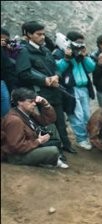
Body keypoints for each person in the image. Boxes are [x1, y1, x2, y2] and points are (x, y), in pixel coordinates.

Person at [16, 21, 76, 154]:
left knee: (60, 121)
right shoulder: (23, 51)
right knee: (45, 123)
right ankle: (55, 150)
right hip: (38, 93)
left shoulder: (46, 50)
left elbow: (56, 68)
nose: (42, 37)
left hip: (54, 91)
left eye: (43, 34)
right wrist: (44, 80)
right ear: (28, 35)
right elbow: (23, 73)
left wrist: (56, 76)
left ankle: (66, 144)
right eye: (39, 34)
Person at [1, 88, 68, 168]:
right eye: (30, 101)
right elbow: (15, 147)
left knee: (51, 127)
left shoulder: (26, 113)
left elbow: (49, 120)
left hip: (28, 145)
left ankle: (49, 157)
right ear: (20, 102)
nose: (34, 104)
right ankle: (51, 159)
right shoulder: (15, 120)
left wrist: (45, 104)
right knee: (53, 151)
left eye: (34, 101)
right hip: (17, 156)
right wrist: (38, 141)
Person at [55, 30, 96, 151]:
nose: (80, 45)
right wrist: (67, 58)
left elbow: (91, 68)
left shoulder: (80, 55)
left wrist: (85, 56)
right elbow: (57, 69)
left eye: (82, 43)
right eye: (78, 43)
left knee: (86, 115)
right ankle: (81, 139)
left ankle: (87, 137)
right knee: (76, 114)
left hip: (84, 88)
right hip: (70, 89)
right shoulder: (59, 52)